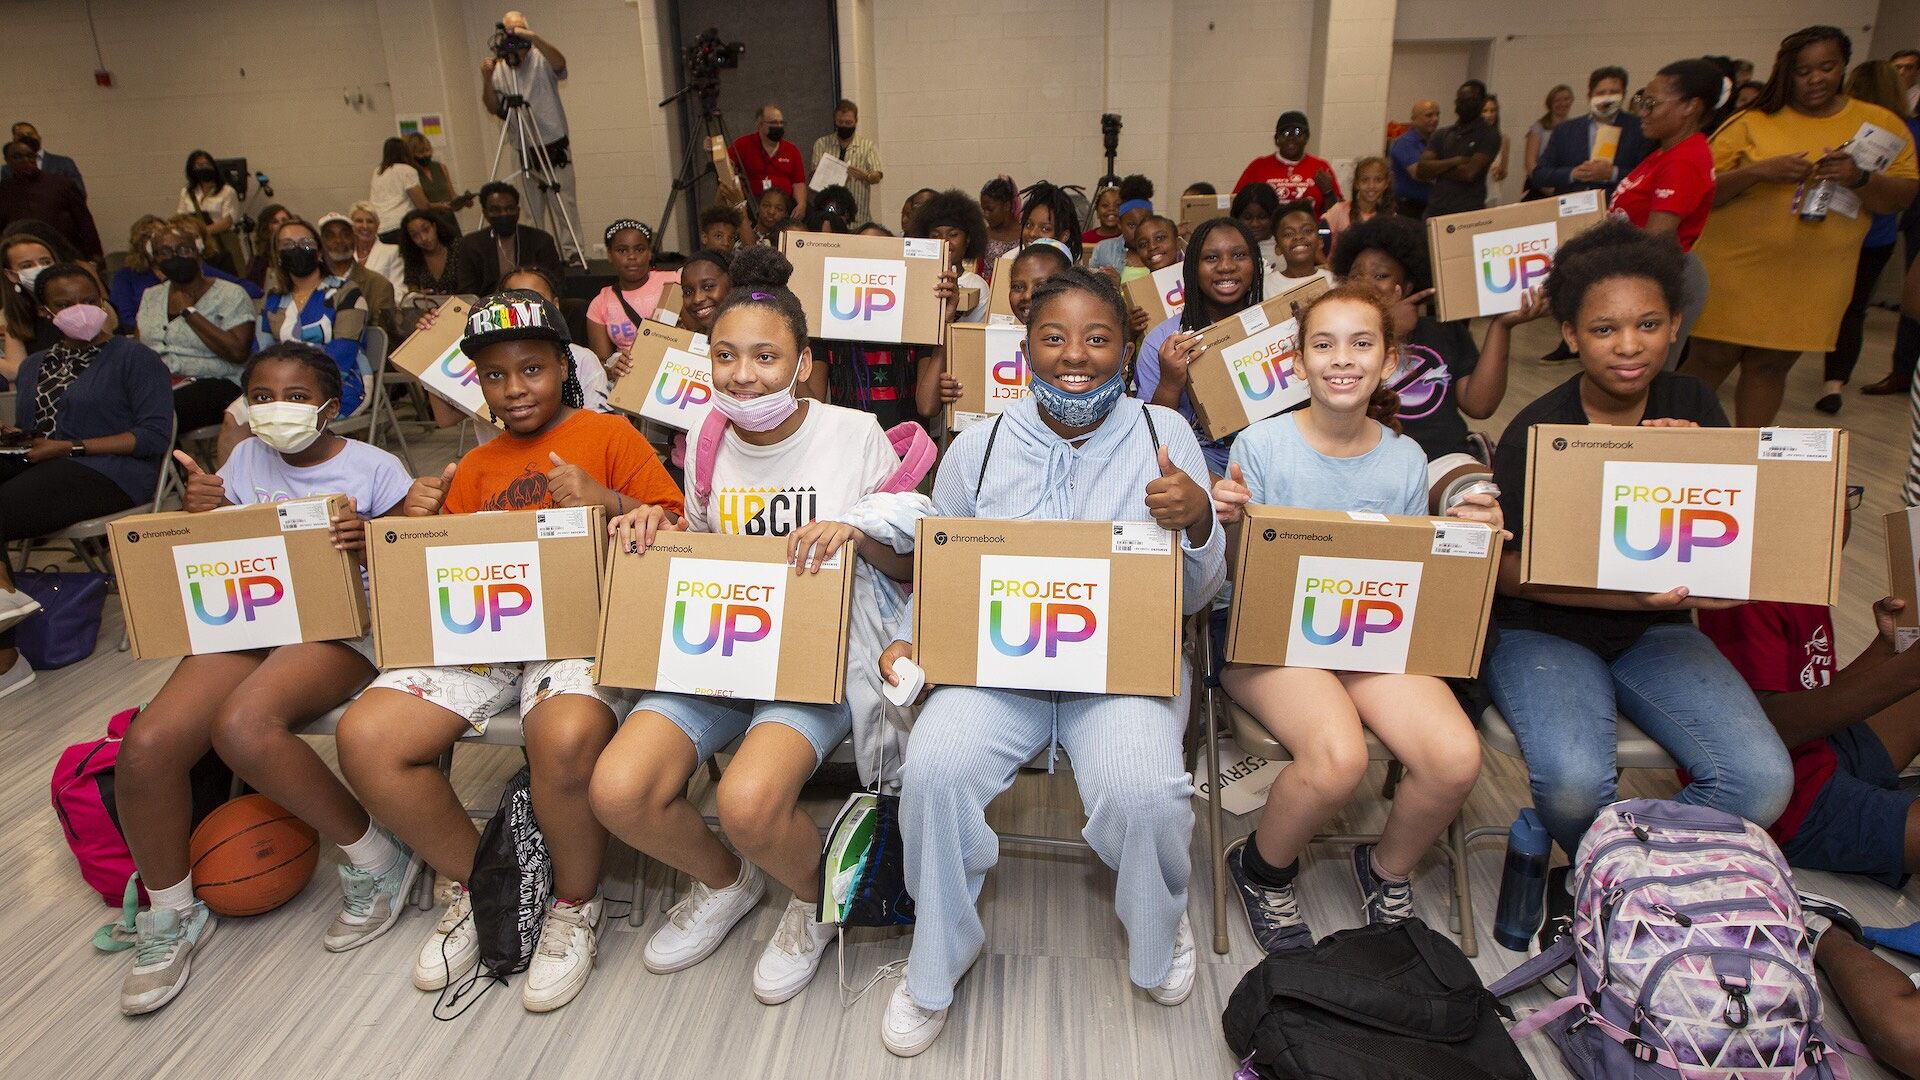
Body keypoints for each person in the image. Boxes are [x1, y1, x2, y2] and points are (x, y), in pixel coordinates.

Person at [876, 267, 1223, 1056]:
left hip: (1120, 675)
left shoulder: (1165, 438)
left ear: (1127, 347)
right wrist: (910, 631)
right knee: (934, 769)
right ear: (1025, 346)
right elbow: (945, 565)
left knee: (1143, 790)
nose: (1076, 355)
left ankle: (1159, 930)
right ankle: (937, 957)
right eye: (1054, 337)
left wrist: (1200, 522)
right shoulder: (980, 444)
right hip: (1000, 674)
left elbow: (1201, 593)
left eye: (1098, 338)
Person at [591, 244, 925, 1005]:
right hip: (720, 650)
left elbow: (908, 569)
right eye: (727, 356)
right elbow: (702, 545)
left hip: (818, 662)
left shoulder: (853, 435)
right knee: (618, 788)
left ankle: (812, 904)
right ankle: (729, 883)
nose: (744, 375)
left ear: (803, 362)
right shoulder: (705, 442)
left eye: (767, 356)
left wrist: (857, 532)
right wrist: (654, 526)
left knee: (747, 801)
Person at [336, 290, 681, 1014]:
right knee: (365, 736)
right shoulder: (474, 463)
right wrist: (412, 522)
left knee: (563, 734)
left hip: (580, 626)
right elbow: (433, 578)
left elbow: (675, 527)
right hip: (485, 634)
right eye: (494, 375)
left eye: (531, 368)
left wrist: (607, 501)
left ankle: (573, 905)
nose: (514, 388)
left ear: (564, 364)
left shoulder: (609, 435)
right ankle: (485, 885)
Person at [1485, 222, 1793, 888]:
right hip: (1544, 633)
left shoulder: (1695, 405)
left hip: (1656, 632)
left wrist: (1696, 460)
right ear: (1570, 335)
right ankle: (1613, 882)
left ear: (1676, 325)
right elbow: (1500, 573)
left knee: (1760, 781)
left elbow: (1734, 552)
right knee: (1570, 785)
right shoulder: (1537, 430)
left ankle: (1611, 881)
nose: (1629, 347)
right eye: (1603, 330)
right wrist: (1630, 595)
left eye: (1649, 325)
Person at [112, 341, 415, 1016]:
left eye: (298, 397)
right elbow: (222, 554)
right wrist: (201, 514)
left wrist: (372, 538)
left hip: (342, 627)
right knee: (146, 746)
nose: (279, 409)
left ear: (331, 408)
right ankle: (170, 913)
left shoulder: (375, 467)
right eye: (265, 397)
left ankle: (376, 859)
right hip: (249, 622)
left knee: (243, 727)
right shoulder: (244, 459)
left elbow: (413, 567)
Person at [1210, 285, 1498, 951]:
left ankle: (1385, 867)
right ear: (1297, 362)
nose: (1343, 359)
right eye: (1324, 344)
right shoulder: (1261, 446)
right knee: (1337, 757)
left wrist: (1469, 536)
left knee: (1455, 756)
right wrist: (1224, 524)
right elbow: (1233, 580)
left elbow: (1412, 576)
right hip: (1271, 636)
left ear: (1389, 361)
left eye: (1361, 344)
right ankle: (1262, 871)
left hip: (1368, 632)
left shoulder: (1404, 459)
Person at [1686, 25, 1918, 426]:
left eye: (1826, 67)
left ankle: (1749, 459)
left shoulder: (1879, 125)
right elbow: (1700, 191)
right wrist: (1759, 171)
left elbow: (1901, 198)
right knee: (1711, 358)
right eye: (1803, 71)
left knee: (1770, 366)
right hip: (1734, 268)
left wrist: (1859, 177)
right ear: (1786, 73)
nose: (1815, 79)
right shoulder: (1752, 121)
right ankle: (1667, 450)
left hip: (1812, 275)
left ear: (1843, 65)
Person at [0, 264, 172, 697]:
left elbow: (153, 436)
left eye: (89, 300)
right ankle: (5, 601)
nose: (80, 310)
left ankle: (6, 657)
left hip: (114, 471)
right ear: (44, 311)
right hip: (48, 463)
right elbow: (36, 431)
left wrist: (69, 447)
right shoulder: (35, 365)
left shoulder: (135, 357)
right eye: (65, 304)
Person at [1696, 587, 1920, 889]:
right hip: (1788, 805)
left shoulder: (1803, 583)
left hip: (1820, 750)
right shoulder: (1750, 596)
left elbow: (1816, 691)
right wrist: (1908, 672)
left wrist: (1887, 647)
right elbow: (1757, 736)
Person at [1333, 213, 1542, 459]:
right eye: (1356, 275)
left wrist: (1501, 327)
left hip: (1444, 458)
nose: (1366, 283)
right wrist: (1386, 332)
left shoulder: (1443, 330)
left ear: (1408, 286)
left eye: (1381, 276)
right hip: (1367, 457)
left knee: (1474, 495)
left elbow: (1479, 405)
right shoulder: (1333, 340)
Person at [1608, 58, 1724, 377]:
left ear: (1690, 106)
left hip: (1659, 276)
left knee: (1643, 374)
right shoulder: (1666, 152)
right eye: (1642, 101)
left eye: (1652, 103)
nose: (1643, 111)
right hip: (1640, 272)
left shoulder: (1684, 160)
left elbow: (1657, 237)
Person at [1136, 217, 1266, 476]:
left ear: (1256, 265)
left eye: (1239, 255)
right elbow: (1149, 435)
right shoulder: (1162, 340)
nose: (1226, 267)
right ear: (1192, 269)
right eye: (1211, 258)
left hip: (1266, 456)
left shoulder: (1277, 327)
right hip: (1195, 460)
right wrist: (1171, 382)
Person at [1822, 60, 1914, 409]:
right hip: (1879, 234)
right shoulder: (1909, 132)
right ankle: (1833, 385)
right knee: (1854, 309)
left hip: (1836, 230)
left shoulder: (1838, 127)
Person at [929, 239, 1076, 416]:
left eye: (1041, 285)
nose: (1028, 295)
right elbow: (926, 406)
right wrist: (954, 390)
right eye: (1017, 287)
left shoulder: (1080, 348)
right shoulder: (987, 343)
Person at [135, 222, 255, 434]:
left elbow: (238, 352)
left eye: (183, 249)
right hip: (161, 383)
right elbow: (139, 348)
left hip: (218, 383)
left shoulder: (231, 294)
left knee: (155, 414)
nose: (175, 257)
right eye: (165, 252)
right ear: (154, 259)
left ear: (199, 252)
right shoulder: (151, 296)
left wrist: (190, 313)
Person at [482, 10, 579, 260]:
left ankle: (572, 254)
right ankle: (539, 256)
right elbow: (493, 107)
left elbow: (560, 63)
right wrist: (486, 78)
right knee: (531, 210)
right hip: (523, 147)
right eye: (509, 31)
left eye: (518, 30)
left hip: (553, 147)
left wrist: (532, 37)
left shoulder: (540, 57)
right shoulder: (501, 68)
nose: (514, 37)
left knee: (563, 205)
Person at [258, 217, 371, 419]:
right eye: (288, 245)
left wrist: (294, 384)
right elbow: (260, 352)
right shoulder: (274, 299)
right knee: (235, 417)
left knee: (283, 421)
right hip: (279, 388)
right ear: (279, 255)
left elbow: (343, 351)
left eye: (306, 242)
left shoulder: (345, 292)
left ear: (319, 252)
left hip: (337, 384)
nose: (298, 248)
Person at [1530, 66, 1654, 199]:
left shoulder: (1640, 128)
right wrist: (1573, 174)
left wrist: (1612, 173)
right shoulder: (1565, 130)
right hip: (1572, 209)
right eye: (1601, 93)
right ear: (1589, 96)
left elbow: (1650, 175)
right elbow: (1540, 174)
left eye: (1613, 92)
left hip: (1619, 210)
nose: (1607, 99)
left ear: (1623, 95)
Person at [585, 219, 680, 368]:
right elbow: (601, 363)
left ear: (649, 253)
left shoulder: (674, 281)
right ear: (610, 255)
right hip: (632, 375)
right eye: (622, 250)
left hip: (676, 366)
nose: (632, 256)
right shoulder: (600, 303)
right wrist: (613, 368)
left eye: (640, 249)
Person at [452, 182, 562, 294]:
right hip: (488, 307)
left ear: (518, 211)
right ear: (485, 213)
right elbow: (466, 290)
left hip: (532, 305)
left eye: (509, 209)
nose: (503, 214)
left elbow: (555, 284)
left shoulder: (540, 240)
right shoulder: (471, 244)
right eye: (496, 210)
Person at [0, 141, 101, 260]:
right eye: (17, 157)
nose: (25, 159)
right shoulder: (3, 190)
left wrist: (96, 255)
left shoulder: (62, 184)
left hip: (65, 254)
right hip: (24, 257)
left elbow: (84, 221)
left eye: (30, 155)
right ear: (7, 160)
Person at [1416, 82, 1502, 217]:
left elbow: (1469, 173)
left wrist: (1436, 169)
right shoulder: (1442, 134)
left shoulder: (1489, 135)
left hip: (1466, 213)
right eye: (1461, 100)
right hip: (1435, 209)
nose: (1465, 104)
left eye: (1470, 100)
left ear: (1481, 102)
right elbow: (1421, 170)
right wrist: (1454, 161)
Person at [1234, 110, 1342, 216]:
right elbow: (1236, 204)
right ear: (1277, 139)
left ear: (1307, 138)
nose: (1291, 138)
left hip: (1310, 231)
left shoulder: (1321, 166)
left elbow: (1337, 214)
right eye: (1285, 133)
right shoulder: (1258, 166)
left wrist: (1328, 192)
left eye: (1298, 133)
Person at [317, 213, 398, 340]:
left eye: (345, 234)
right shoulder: (310, 282)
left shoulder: (379, 285)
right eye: (330, 236)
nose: (339, 240)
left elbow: (379, 341)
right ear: (320, 244)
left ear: (355, 240)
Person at [3, 231, 64, 379]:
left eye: (46, 262)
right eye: (27, 265)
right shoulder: (19, 315)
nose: (40, 268)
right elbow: (17, 370)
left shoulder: (83, 301)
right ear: (11, 275)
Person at [809, 99, 881, 224]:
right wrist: (836, 177)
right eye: (840, 122)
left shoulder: (867, 146)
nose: (844, 126)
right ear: (835, 121)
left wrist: (866, 176)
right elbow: (814, 175)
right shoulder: (821, 143)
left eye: (848, 123)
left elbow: (877, 176)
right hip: (827, 217)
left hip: (859, 218)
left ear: (856, 121)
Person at [729, 104, 807, 219]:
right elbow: (725, 165)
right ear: (760, 125)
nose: (779, 126)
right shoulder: (743, 144)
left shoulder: (792, 150)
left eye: (781, 123)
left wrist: (801, 204)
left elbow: (798, 183)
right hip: (753, 204)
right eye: (774, 123)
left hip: (784, 205)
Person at [176, 150, 239, 273]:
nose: (203, 168)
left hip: (222, 243)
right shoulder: (186, 192)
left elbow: (227, 221)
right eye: (199, 165)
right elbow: (180, 219)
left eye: (206, 164)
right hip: (194, 244)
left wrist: (201, 232)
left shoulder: (227, 191)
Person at [368, 137, 439, 245]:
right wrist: (440, 207)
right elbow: (422, 205)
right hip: (399, 226)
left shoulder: (377, 172)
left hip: (380, 228)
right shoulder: (407, 170)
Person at [396, 208, 463, 312]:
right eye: (415, 235)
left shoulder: (457, 248)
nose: (423, 238)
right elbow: (413, 291)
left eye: (426, 230)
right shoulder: (413, 258)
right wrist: (420, 294)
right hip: (430, 314)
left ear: (434, 226)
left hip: (462, 308)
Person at [1322, 156, 1393, 253]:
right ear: (1356, 183)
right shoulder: (1339, 210)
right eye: (1365, 180)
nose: (1371, 186)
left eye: (1378, 180)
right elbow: (1317, 241)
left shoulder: (1390, 217)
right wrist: (1327, 266)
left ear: (1386, 184)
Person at [1265, 201, 1334, 298]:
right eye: (1288, 234)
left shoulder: (1334, 282)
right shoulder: (1266, 286)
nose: (1298, 237)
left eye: (1307, 230)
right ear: (1278, 248)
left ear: (1320, 241)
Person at [1089, 175, 1154, 276]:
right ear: (1120, 224)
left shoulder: (1160, 251)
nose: (1138, 231)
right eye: (1132, 225)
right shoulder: (1104, 249)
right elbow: (1090, 288)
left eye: (1143, 223)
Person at [0, 121, 84, 196]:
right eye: (20, 135)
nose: (26, 137)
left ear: (39, 138)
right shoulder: (7, 169)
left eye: (30, 134)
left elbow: (79, 192)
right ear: (14, 141)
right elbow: (6, 196)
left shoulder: (64, 163)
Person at [1389, 100, 1439, 218]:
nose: (1435, 119)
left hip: (1430, 206)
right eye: (1429, 115)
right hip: (1409, 208)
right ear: (1414, 119)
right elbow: (1419, 173)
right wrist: (1452, 166)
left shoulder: (1434, 142)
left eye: (1437, 114)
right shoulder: (1405, 142)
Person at [1524, 85, 1575, 199]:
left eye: (1566, 99)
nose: (1562, 103)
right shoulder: (1539, 127)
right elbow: (1530, 163)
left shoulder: (1574, 127)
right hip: (1541, 187)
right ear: (1550, 103)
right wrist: (1546, 189)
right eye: (1557, 100)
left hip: (1564, 185)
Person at [405, 132, 472, 215]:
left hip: (448, 218)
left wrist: (463, 201)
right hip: (428, 220)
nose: (425, 155)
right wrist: (440, 206)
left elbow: (452, 196)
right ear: (412, 154)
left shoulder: (441, 167)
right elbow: (420, 205)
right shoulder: (410, 173)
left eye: (427, 150)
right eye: (420, 152)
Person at [1018, 181, 1083, 260]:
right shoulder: (1009, 259)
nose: (1032, 233)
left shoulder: (1068, 269)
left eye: (1045, 229)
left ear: (1064, 236)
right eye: (1028, 225)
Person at [1231, 182, 1282, 270]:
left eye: (1262, 217)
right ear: (1236, 218)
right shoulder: (1228, 248)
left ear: (1274, 216)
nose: (1255, 224)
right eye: (1247, 217)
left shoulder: (1285, 247)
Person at [243, 204, 291, 290]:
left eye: (284, 220)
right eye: (275, 222)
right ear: (266, 227)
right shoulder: (258, 263)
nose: (281, 224)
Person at [979, 176, 1021, 266]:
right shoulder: (983, 235)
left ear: (1007, 206)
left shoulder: (1024, 234)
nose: (985, 214)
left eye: (990, 209)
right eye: (983, 209)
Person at [1484, 95, 1512, 193]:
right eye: (1485, 111)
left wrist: (1500, 171)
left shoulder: (1503, 139)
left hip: (1493, 192)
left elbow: (1503, 173)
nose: (1489, 115)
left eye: (1493, 111)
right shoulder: (1471, 139)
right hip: (1473, 195)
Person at [1083, 182, 1122, 247]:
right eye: (1105, 205)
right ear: (1097, 211)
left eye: (1117, 205)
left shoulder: (1129, 238)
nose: (1111, 209)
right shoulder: (1084, 239)